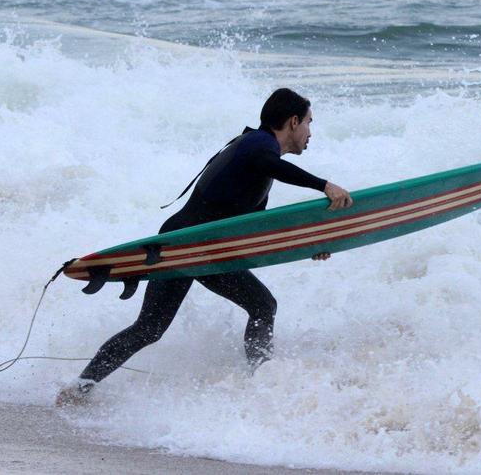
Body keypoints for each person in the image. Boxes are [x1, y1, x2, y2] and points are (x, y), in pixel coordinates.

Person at [56, 88, 352, 406]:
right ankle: (79, 390)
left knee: (257, 307)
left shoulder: (259, 164)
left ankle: (259, 385)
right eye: (309, 122)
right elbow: (274, 166)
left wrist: (307, 247)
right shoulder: (257, 144)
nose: (310, 132)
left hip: (204, 248)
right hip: (183, 243)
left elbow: (256, 232)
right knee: (151, 328)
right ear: (293, 122)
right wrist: (323, 185)